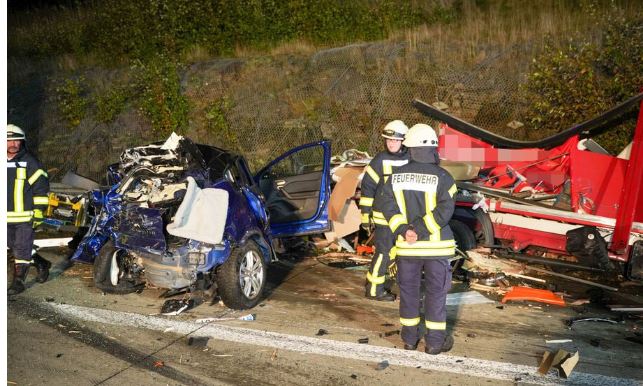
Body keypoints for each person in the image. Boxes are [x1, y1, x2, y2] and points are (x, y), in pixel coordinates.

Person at [378, 123, 457, 355]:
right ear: (433, 148)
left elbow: (387, 209)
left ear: (409, 147)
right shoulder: (445, 177)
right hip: (437, 248)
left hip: (407, 249)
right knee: (435, 295)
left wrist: (405, 231)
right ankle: (434, 343)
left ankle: (409, 340)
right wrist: (421, 230)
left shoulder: (394, 178)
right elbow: (445, 210)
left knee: (409, 294)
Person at [359, 120, 409, 301]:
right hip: (383, 217)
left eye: (394, 140)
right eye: (388, 140)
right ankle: (374, 290)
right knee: (384, 252)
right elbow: (368, 187)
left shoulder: (412, 158)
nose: (391, 143)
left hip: (404, 216)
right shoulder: (379, 160)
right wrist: (365, 213)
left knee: (400, 251)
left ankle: (383, 282)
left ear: (404, 140)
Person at [7, 124, 51, 295]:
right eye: (9, 140)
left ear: (22, 142)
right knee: (13, 246)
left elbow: (41, 188)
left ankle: (18, 282)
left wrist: (39, 211)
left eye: (17, 140)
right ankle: (41, 263)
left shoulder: (30, 163)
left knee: (22, 248)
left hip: (25, 217)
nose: (13, 144)